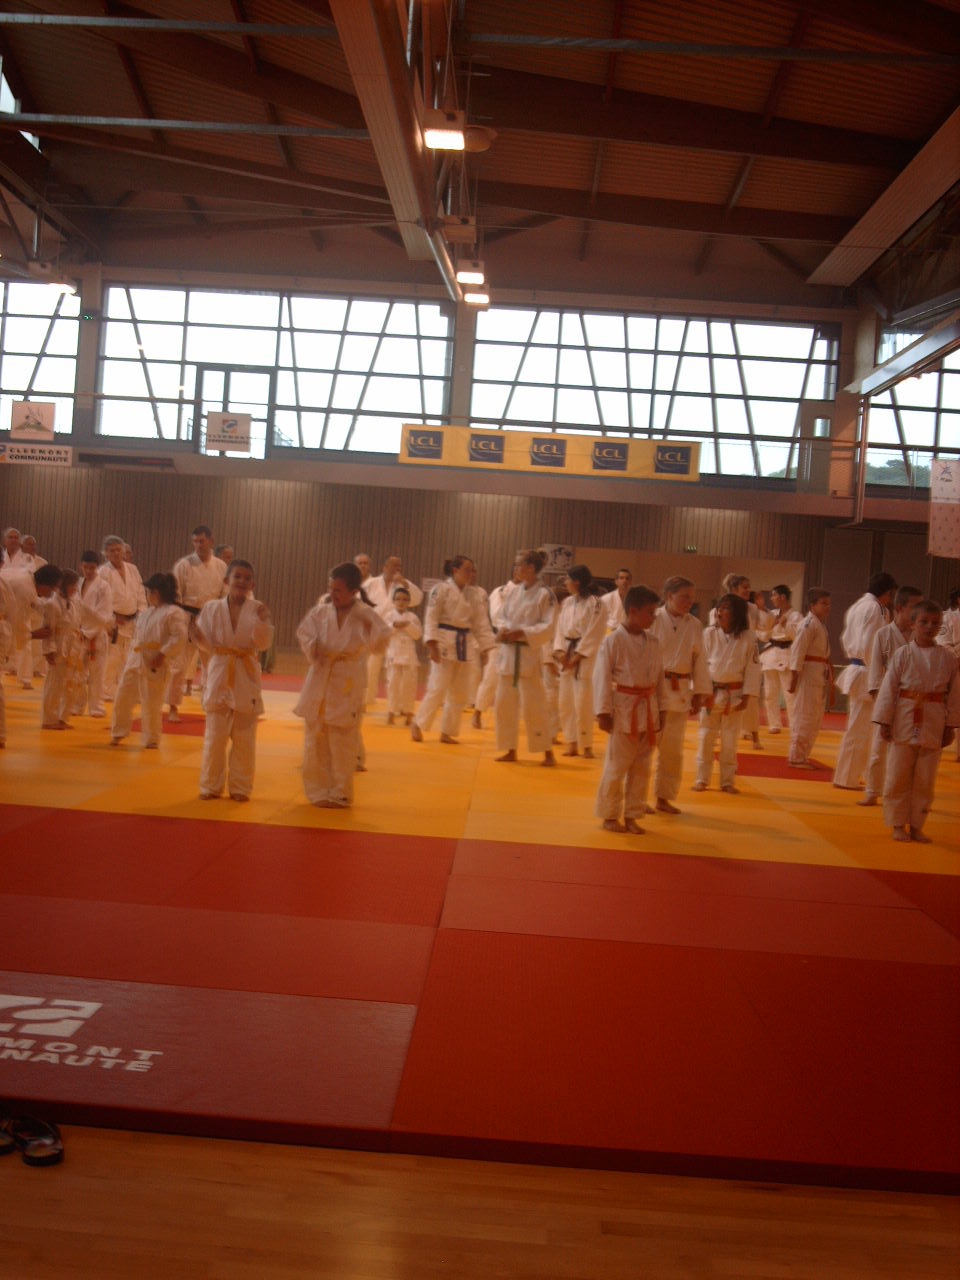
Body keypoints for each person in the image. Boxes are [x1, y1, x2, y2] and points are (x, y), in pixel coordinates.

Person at [294, 562, 391, 808]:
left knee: (342, 738)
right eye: (331, 588)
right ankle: (318, 791)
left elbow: (380, 642)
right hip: (320, 674)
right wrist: (313, 647)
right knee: (315, 735)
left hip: (347, 677)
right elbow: (304, 632)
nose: (332, 594)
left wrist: (370, 629)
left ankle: (341, 793)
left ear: (354, 591)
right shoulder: (320, 612)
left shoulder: (364, 614)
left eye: (338, 590)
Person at [873, 599, 960, 844]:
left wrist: (951, 726)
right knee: (898, 775)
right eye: (924, 622)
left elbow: (954, 694)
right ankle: (897, 823)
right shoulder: (902, 654)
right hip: (904, 717)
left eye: (935, 623)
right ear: (913, 624)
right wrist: (884, 721)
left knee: (925, 779)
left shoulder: (948, 658)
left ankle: (917, 825)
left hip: (934, 720)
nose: (929, 627)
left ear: (941, 626)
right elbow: (889, 689)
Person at [194, 559, 273, 802]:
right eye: (237, 576)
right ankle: (210, 786)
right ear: (226, 580)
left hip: (246, 673)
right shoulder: (212, 608)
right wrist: (195, 634)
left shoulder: (258, 608)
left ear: (253, 584)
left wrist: (263, 621)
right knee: (214, 737)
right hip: (219, 671)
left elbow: (263, 644)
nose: (242, 581)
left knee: (244, 738)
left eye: (247, 578)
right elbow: (205, 644)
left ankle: (241, 787)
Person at [593, 584, 666, 834]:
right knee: (617, 766)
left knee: (642, 767)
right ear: (633, 611)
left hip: (649, 707)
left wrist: (662, 710)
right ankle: (609, 814)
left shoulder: (654, 642)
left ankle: (633, 814)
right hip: (624, 709)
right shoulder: (613, 640)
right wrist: (603, 713)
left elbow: (660, 679)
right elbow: (601, 677)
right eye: (650, 613)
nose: (653, 618)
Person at [410, 555, 494, 745]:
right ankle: (418, 723)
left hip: (465, 644)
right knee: (438, 687)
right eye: (467, 570)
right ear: (455, 570)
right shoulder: (440, 589)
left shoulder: (475, 594)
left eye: (472, 570)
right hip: (444, 641)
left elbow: (481, 623)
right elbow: (431, 617)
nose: (471, 574)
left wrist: (487, 647)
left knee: (459, 692)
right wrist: (432, 644)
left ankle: (447, 731)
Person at [649, 575, 712, 814]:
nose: (690, 601)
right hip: (653, 690)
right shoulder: (653, 618)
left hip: (681, 690)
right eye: (685, 596)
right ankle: (636, 798)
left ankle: (663, 797)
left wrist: (700, 693)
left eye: (692, 597)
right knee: (643, 749)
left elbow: (700, 660)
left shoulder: (694, 624)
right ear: (669, 596)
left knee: (673, 750)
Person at [858, 585, 923, 807]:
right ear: (900, 607)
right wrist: (879, 701)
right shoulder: (883, 634)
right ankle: (872, 791)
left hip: (915, 699)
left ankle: (903, 793)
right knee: (879, 747)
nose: (919, 612)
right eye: (915, 607)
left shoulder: (920, 635)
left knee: (911, 748)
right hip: (888, 696)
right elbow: (876, 669)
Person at [833, 571, 897, 790]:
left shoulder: (858, 605)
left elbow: (846, 638)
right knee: (859, 730)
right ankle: (846, 778)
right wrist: (879, 673)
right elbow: (871, 643)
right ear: (887, 593)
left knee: (863, 730)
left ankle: (854, 775)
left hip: (860, 667)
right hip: (867, 671)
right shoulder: (874, 608)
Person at [493, 549, 557, 766]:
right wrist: (503, 630)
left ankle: (547, 752)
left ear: (530, 568)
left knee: (535, 706)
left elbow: (548, 626)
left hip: (527, 654)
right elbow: (502, 616)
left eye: (519, 564)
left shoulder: (545, 594)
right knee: (504, 705)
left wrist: (523, 632)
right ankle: (510, 749)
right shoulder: (513, 592)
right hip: (508, 654)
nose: (516, 568)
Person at [692, 592, 760, 793]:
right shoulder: (708, 634)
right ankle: (701, 778)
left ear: (737, 613)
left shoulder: (749, 637)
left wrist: (747, 697)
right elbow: (699, 664)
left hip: (735, 694)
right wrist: (698, 692)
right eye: (719, 607)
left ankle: (727, 781)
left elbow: (753, 669)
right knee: (706, 737)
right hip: (711, 692)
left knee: (730, 741)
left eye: (726, 608)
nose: (720, 612)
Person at [111, 573, 187, 749]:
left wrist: (162, 655)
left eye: (149, 591)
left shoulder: (174, 612)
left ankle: (151, 738)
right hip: (136, 659)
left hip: (155, 661)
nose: (147, 595)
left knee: (152, 702)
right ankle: (118, 731)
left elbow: (179, 637)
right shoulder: (146, 613)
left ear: (157, 592)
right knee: (123, 696)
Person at [168, 525, 228, 717]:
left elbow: (224, 595)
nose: (198, 545)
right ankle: (173, 706)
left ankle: (210, 702)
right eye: (195, 541)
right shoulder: (183, 565)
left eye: (202, 541)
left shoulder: (221, 566)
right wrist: (184, 620)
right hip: (187, 617)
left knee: (213, 665)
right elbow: (175, 595)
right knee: (179, 665)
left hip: (211, 619)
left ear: (211, 541)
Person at [553, 564, 606, 758]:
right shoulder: (567, 603)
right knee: (565, 701)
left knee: (583, 702)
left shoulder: (596, 603)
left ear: (577, 581)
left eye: (568, 579)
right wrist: (560, 652)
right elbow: (559, 629)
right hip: (567, 652)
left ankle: (586, 745)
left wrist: (577, 656)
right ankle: (572, 743)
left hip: (585, 656)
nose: (565, 583)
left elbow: (595, 632)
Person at [364, 556, 423, 706]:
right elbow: (360, 602)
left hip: (395, 634)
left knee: (396, 673)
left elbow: (418, 599)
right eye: (394, 566)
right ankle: (367, 699)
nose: (397, 569)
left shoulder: (403, 584)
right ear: (385, 567)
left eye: (399, 566)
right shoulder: (371, 583)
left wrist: (404, 583)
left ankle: (398, 705)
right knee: (371, 668)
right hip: (376, 631)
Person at [471, 563, 522, 729]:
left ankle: (507, 717)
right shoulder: (500, 591)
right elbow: (495, 615)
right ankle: (478, 712)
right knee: (491, 677)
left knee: (514, 681)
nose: (521, 572)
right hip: (500, 637)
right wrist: (507, 628)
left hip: (520, 641)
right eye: (518, 568)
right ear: (514, 571)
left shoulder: (530, 593)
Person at [786, 588, 832, 769]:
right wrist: (794, 677)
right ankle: (796, 757)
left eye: (829, 604)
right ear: (812, 605)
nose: (827, 607)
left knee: (814, 717)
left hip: (817, 672)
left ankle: (802, 756)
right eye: (823, 603)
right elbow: (798, 651)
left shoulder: (819, 624)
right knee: (804, 716)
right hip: (807, 675)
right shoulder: (807, 624)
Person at [99, 534, 146, 700]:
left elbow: (140, 593)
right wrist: (110, 620)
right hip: (114, 619)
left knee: (130, 657)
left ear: (124, 551)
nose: (116, 553)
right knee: (112, 657)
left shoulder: (132, 569)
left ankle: (128, 691)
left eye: (118, 550)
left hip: (132, 619)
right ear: (105, 553)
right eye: (112, 550)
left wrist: (142, 614)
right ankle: (106, 691)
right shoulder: (103, 572)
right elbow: (101, 599)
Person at [38, 567, 80, 730]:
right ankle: (49, 719)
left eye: (76, 585)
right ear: (63, 585)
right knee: (54, 684)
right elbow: (48, 629)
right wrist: (48, 650)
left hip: (73, 646)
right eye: (72, 585)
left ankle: (63, 717)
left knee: (70, 684)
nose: (75, 588)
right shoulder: (52, 604)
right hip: (58, 647)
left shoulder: (73, 602)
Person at [758, 584, 802, 735]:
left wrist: (785, 624)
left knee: (790, 693)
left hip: (787, 654)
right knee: (769, 693)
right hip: (771, 654)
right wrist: (772, 625)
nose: (772, 598)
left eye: (774, 595)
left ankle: (794, 725)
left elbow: (798, 637)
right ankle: (774, 724)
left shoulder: (796, 616)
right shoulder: (772, 614)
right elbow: (763, 636)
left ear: (783, 597)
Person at [76, 551, 114, 717]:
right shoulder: (77, 583)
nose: (89, 571)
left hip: (96, 635)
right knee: (77, 673)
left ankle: (96, 707)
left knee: (97, 675)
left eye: (92, 568)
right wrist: (78, 630)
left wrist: (88, 632)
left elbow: (104, 615)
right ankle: (77, 705)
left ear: (97, 568)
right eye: (86, 567)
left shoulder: (103, 586)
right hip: (78, 634)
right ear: (81, 566)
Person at [383, 584, 422, 725]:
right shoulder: (389, 616)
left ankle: (408, 712)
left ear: (409, 602)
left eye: (405, 599)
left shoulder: (412, 617)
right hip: (393, 653)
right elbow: (384, 633)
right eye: (398, 599)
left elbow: (418, 635)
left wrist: (407, 625)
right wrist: (394, 626)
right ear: (393, 601)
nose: (401, 602)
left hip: (409, 655)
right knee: (393, 684)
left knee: (408, 685)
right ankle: (391, 711)